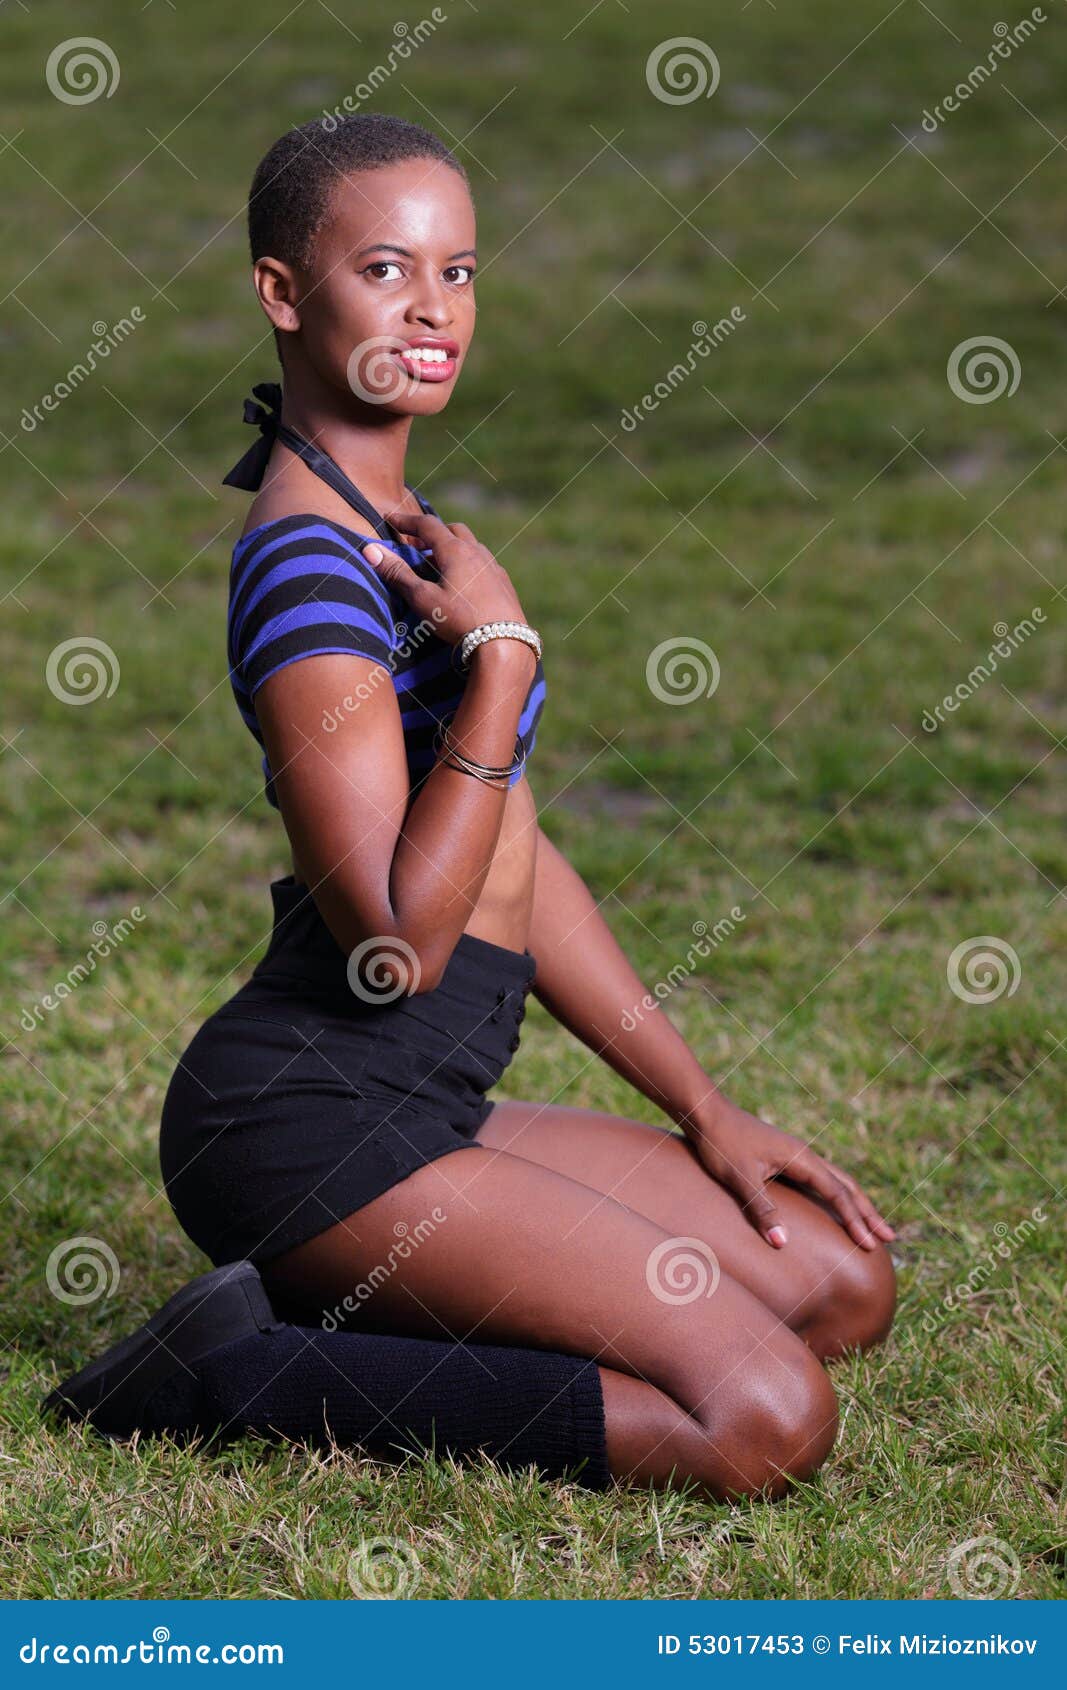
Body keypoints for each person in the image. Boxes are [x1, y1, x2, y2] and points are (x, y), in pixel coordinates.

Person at [46, 113, 896, 1504]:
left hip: (426, 1095)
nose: (436, 308)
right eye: (387, 269)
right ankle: (236, 1373)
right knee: (762, 1418)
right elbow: (400, 939)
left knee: (841, 1279)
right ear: (283, 294)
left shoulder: (398, 526)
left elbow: (515, 853)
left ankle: (393, 1299)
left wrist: (705, 1104)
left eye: (461, 270)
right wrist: (500, 672)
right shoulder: (309, 576)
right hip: (304, 1125)